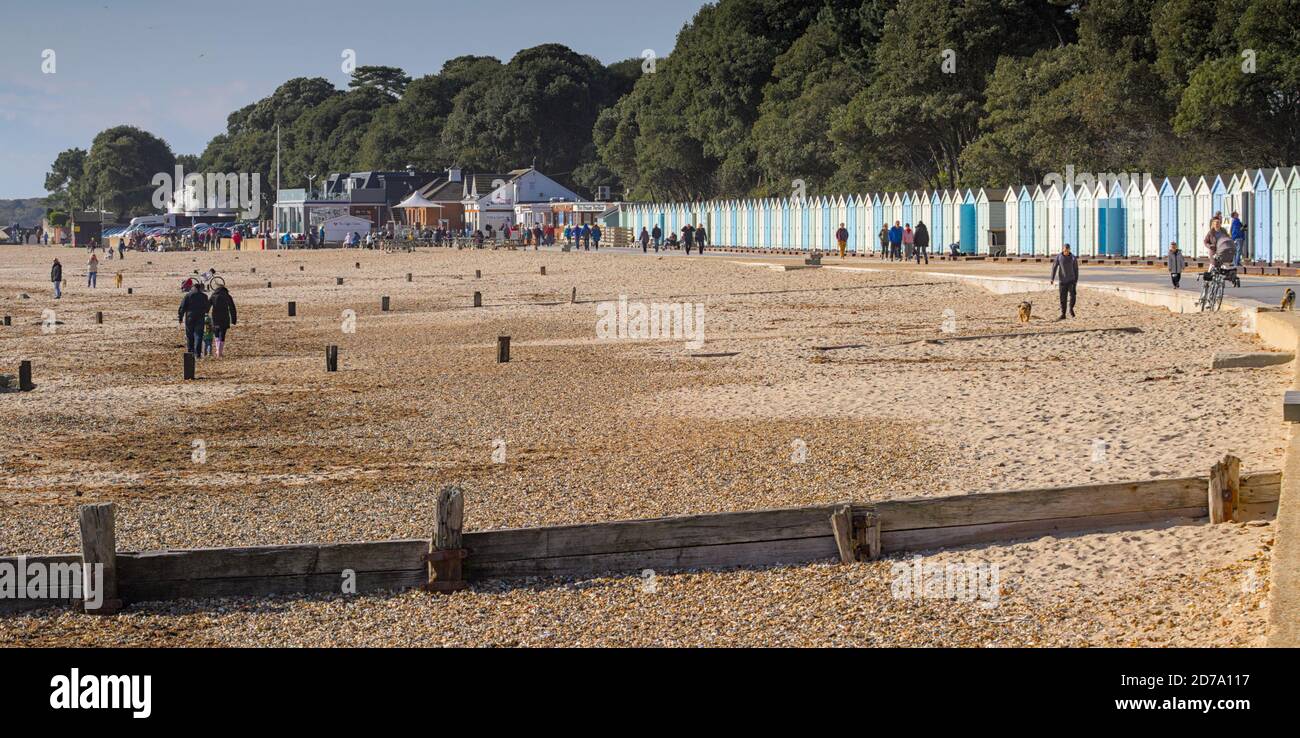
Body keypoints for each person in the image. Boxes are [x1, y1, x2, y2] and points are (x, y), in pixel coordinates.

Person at [178, 283, 211, 357]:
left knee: (189, 334)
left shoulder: (188, 295)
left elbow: (182, 307)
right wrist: (204, 311)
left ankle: (190, 352)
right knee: (198, 335)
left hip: (190, 317)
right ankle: (198, 353)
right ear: (200, 288)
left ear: (194, 288)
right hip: (200, 316)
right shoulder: (204, 296)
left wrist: (180, 317)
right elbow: (207, 308)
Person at [208, 280, 237, 359]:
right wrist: (233, 319)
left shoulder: (213, 295)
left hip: (215, 317)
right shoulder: (227, 296)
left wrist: (205, 315)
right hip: (224, 317)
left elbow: (208, 305)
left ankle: (218, 351)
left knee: (216, 333)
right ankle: (220, 352)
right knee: (222, 334)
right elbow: (232, 308)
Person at [1049, 243, 1079, 320]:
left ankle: (1071, 308)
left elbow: (1076, 269)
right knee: (1063, 298)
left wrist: (1076, 280)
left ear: (1069, 249)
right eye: (1065, 250)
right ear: (1063, 249)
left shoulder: (1073, 257)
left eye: (1067, 250)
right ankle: (1063, 314)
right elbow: (1054, 267)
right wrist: (1052, 278)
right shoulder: (1059, 257)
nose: (1066, 251)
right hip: (1062, 281)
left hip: (1071, 280)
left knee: (1073, 296)